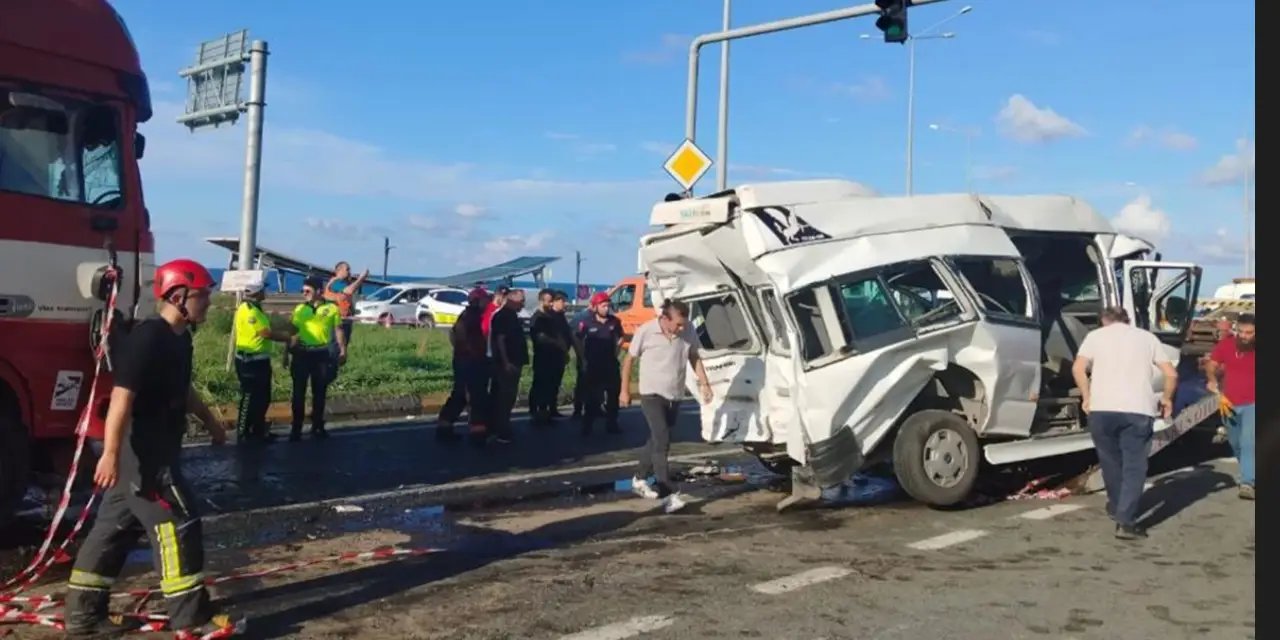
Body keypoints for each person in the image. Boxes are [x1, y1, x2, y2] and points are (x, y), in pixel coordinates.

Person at [65, 259, 241, 638]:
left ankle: (83, 618)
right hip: (144, 455)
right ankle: (190, 619)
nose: (208, 302)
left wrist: (210, 421)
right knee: (179, 523)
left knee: (113, 530)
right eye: (202, 295)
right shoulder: (148, 338)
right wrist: (110, 454)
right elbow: (120, 401)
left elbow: (183, 390)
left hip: (156, 449)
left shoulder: (181, 338)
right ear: (179, 296)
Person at [1071, 306, 1178, 540]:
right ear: (1128, 320)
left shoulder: (1094, 336)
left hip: (1102, 409)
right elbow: (1171, 374)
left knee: (1110, 462)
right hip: (1137, 409)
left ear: (1103, 320)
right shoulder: (1147, 338)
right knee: (1134, 466)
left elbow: (1078, 368)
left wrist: (1086, 396)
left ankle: (1117, 506)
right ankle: (1126, 521)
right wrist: (1167, 398)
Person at [620, 299, 714, 514]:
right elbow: (628, 361)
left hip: (674, 394)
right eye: (677, 324)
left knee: (656, 438)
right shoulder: (647, 331)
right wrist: (624, 390)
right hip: (651, 393)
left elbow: (694, 356)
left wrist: (704, 384)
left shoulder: (688, 330)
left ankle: (639, 478)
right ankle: (667, 493)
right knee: (662, 439)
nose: (681, 328)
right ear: (664, 318)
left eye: (683, 324)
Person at [232, 280, 293, 444]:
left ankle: (258, 430)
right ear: (257, 292)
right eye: (263, 290)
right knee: (249, 396)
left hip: (259, 359)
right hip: (250, 361)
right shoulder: (250, 311)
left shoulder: (254, 308)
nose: (265, 292)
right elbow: (265, 333)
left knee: (263, 397)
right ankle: (243, 432)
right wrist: (287, 337)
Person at [288, 277, 346, 441]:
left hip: (321, 354)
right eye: (303, 291)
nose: (304, 294)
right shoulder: (299, 309)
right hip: (301, 354)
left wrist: (343, 350)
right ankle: (296, 427)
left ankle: (317, 425)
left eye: (308, 291)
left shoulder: (331, 308)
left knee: (319, 392)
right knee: (298, 392)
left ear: (319, 291)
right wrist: (286, 354)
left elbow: (338, 330)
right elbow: (291, 333)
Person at [1206, 313, 1255, 500]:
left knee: (1248, 441)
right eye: (1241, 332)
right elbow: (1212, 364)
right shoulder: (1226, 345)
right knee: (1235, 443)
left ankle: (1247, 482)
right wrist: (1212, 379)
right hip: (1229, 402)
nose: (1244, 336)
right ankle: (1251, 472)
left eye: (1249, 333)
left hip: (1254, 402)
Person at [437, 287, 491, 442]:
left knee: (460, 395)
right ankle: (478, 432)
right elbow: (464, 338)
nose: (487, 302)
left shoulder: (469, 316)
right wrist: (472, 353)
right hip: (471, 362)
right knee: (476, 396)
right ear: (477, 301)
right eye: (484, 299)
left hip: (465, 360)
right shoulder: (471, 317)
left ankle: (445, 426)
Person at [577, 292, 625, 435]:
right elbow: (578, 339)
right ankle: (587, 425)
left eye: (608, 306)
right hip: (593, 365)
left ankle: (612, 423)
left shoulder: (614, 321)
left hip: (610, 364)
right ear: (595, 307)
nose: (606, 308)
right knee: (592, 397)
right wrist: (582, 357)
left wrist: (616, 352)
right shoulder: (586, 322)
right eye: (603, 306)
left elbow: (620, 338)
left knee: (613, 396)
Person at [487, 287, 528, 445]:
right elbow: (500, 340)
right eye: (521, 301)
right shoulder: (504, 316)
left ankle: (498, 427)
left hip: (512, 361)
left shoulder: (510, 316)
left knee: (504, 396)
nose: (523, 305)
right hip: (507, 362)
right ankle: (501, 430)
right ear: (513, 301)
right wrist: (506, 362)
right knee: (505, 397)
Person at [529, 289, 573, 425]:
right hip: (544, 357)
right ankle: (537, 411)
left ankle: (550, 410)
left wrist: (564, 350)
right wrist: (557, 343)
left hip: (557, 356)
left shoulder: (555, 317)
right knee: (540, 384)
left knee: (553, 384)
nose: (550, 304)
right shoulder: (538, 318)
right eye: (548, 301)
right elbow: (540, 338)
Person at [324, 261, 368, 381]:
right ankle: (329, 377)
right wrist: (361, 278)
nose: (349, 272)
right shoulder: (336, 283)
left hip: (345, 321)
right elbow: (349, 291)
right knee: (336, 350)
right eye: (347, 269)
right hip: (337, 323)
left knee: (342, 350)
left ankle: (334, 375)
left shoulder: (343, 283)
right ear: (339, 271)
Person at [570, 298, 595, 420]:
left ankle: (595, 407)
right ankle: (578, 409)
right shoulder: (581, 317)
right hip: (584, 354)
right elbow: (575, 336)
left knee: (596, 383)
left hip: (597, 355)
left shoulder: (603, 317)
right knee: (582, 382)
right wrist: (580, 354)